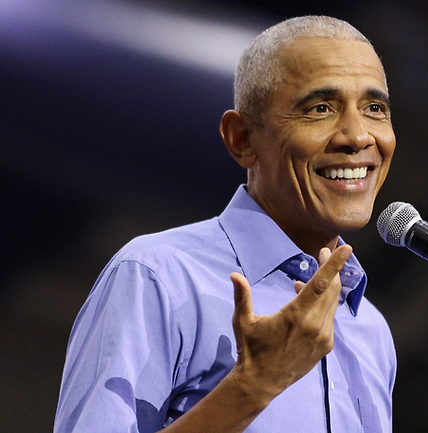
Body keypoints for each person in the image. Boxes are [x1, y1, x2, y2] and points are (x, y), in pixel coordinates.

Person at [54, 15, 397, 433]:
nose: (358, 135)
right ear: (242, 139)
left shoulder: (371, 329)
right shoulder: (158, 277)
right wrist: (253, 386)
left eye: (374, 108)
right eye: (320, 108)